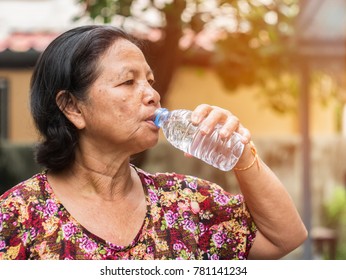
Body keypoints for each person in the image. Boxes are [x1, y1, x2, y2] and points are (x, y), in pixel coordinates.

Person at [0, 25, 307, 260]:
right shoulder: (17, 216)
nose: (152, 94)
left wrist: (240, 151)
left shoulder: (186, 202)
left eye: (149, 81)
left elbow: (285, 238)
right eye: (128, 81)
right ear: (73, 107)